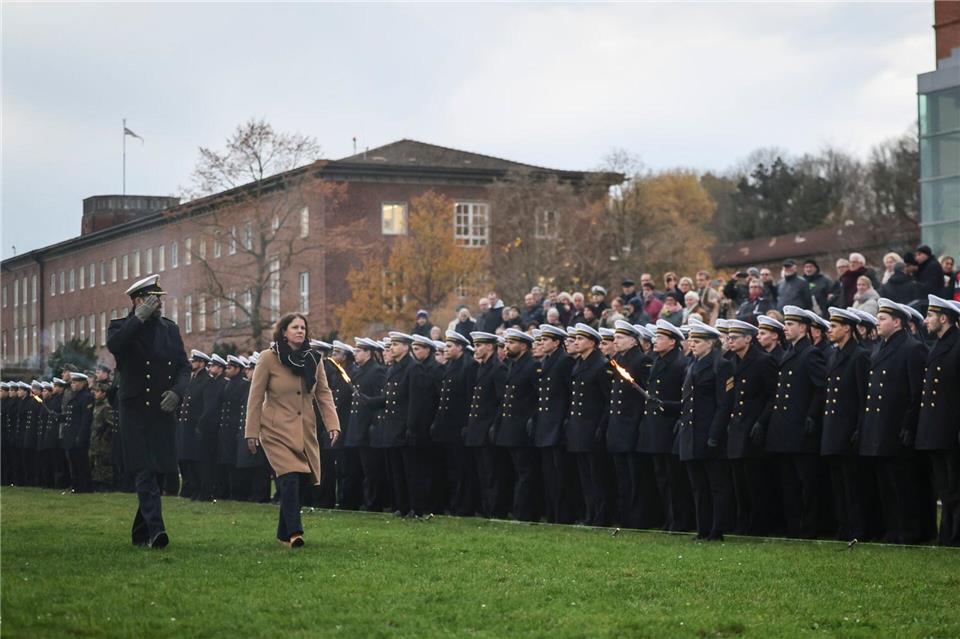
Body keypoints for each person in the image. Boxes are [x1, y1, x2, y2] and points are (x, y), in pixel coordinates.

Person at [107, 274, 190, 549]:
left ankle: (140, 532)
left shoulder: (169, 329)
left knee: (159, 472)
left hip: (162, 410)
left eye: (160, 300)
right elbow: (116, 347)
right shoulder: (120, 327)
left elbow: (183, 367)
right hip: (135, 410)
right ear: (138, 300)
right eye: (154, 300)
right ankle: (157, 531)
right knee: (143, 470)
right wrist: (137, 318)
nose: (159, 305)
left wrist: (178, 392)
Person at [245, 313, 340, 547]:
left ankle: (281, 535)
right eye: (295, 327)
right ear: (284, 332)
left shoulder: (314, 360)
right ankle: (295, 533)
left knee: (297, 479)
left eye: (303, 327)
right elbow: (255, 397)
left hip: (303, 430)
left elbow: (324, 394)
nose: (300, 331)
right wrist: (251, 431)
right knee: (288, 479)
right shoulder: (268, 358)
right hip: (275, 430)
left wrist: (333, 424)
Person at [858, 299, 928, 544]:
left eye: (883, 318)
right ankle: (892, 529)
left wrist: (908, 424)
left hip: (896, 426)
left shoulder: (912, 348)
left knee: (903, 483)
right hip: (878, 426)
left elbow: (916, 391)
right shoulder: (879, 348)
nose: (878, 322)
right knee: (885, 484)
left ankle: (909, 531)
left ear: (897, 322)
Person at [762, 306, 827, 539]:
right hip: (784, 429)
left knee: (806, 482)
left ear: (803, 327)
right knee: (788, 482)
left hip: (800, 429)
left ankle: (810, 527)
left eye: (790, 324)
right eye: (785, 324)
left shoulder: (810, 353)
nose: (785, 328)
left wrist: (812, 415)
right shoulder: (790, 353)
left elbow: (821, 388)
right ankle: (794, 527)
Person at [676, 320, 735, 541]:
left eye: (697, 340)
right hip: (691, 434)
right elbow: (688, 402)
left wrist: (714, 435)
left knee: (717, 486)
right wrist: (664, 405)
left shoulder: (721, 365)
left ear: (710, 344)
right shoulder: (692, 366)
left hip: (709, 434)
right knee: (699, 487)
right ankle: (703, 529)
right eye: (691, 339)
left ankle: (716, 530)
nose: (692, 344)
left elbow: (724, 404)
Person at [724, 320, 778, 536]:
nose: (730, 341)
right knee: (739, 482)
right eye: (729, 338)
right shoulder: (731, 361)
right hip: (736, 427)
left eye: (735, 337)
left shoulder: (763, 361)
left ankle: (759, 524)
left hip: (753, 427)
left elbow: (773, 395)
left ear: (748, 338)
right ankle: (743, 522)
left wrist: (761, 422)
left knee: (755, 481)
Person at [821, 307, 871, 542]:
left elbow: (863, 398)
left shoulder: (859, 355)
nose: (829, 330)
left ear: (847, 329)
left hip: (848, 429)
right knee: (837, 484)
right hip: (832, 429)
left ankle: (857, 528)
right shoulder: (834, 355)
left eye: (834, 326)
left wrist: (859, 428)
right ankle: (843, 526)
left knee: (852, 485)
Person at [916, 296, 960, 546]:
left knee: (954, 486)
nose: (926, 320)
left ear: (944, 318)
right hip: (935, 428)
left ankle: (955, 535)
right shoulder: (939, 345)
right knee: (944, 487)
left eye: (931, 316)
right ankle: (948, 534)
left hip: (950, 428)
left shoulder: (956, 344)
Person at [606, 321, 656, 529]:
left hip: (632, 424)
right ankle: (625, 515)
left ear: (633, 340)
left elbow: (644, 395)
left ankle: (638, 517)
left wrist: (638, 424)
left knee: (636, 475)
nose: (615, 341)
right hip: (618, 425)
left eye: (619, 337)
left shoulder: (641, 360)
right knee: (622, 475)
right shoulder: (617, 360)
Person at [566, 323, 613, 526]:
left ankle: (601, 517)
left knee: (597, 476)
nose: (576, 342)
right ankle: (590, 514)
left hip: (592, 427)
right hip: (579, 428)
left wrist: (600, 428)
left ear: (592, 343)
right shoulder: (579, 364)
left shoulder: (601, 365)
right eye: (575, 339)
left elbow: (607, 400)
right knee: (585, 475)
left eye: (580, 339)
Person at [493, 328, 541, 522]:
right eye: (506, 343)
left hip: (522, 428)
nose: (506, 347)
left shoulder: (531, 366)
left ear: (523, 345)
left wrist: (532, 419)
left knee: (526, 472)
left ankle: (525, 513)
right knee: (513, 472)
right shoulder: (513, 364)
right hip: (509, 428)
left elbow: (540, 397)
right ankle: (515, 509)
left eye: (511, 343)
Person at [534, 324, 577, 524]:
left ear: (557, 342)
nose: (541, 343)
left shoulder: (564, 361)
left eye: (545, 340)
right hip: (546, 425)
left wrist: (565, 421)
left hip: (557, 426)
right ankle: (553, 513)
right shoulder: (548, 360)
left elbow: (570, 394)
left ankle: (564, 515)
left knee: (561, 475)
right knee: (549, 474)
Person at [430, 331, 476, 515]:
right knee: (449, 468)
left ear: (460, 348)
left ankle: (463, 506)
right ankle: (451, 503)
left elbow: (469, 398)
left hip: (459, 426)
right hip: (446, 427)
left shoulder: (468, 366)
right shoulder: (450, 366)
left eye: (449, 346)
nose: (445, 349)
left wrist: (466, 425)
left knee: (461, 469)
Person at [466, 331, 509, 518]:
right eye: (475, 345)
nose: (476, 349)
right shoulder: (481, 367)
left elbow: (502, 401)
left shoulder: (497, 368)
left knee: (492, 473)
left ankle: (495, 510)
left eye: (479, 345)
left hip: (488, 428)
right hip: (477, 428)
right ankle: (486, 508)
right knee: (482, 472)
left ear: (490, 346)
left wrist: (494, 425)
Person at [90, 380, 117, 491]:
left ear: (104, 393)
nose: (95, 393)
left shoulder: (106, 407)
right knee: (96, 464)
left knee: (104, 465)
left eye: (98, 391)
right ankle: (97, 484)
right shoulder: (96, 406)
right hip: (95, 440)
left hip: (103, 442)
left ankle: (106, 485)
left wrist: (105, 436)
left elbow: (113, 424)